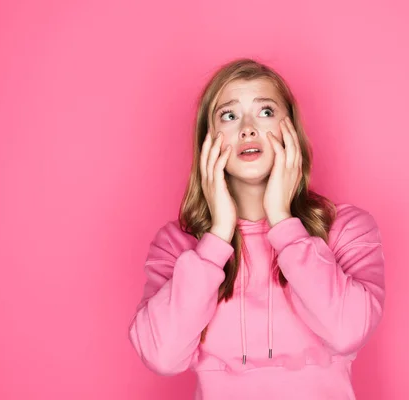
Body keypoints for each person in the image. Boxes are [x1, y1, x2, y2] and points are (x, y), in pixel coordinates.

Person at [128, 58, 386, 399]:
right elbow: (162, 355)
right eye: (229, 116)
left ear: (290, 128)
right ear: (208, 140)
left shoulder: (346, 229)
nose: (248, 128)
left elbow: (346, 332)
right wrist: (219, 234)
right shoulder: (178, 244)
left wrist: (282, 219)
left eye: (265, 112)